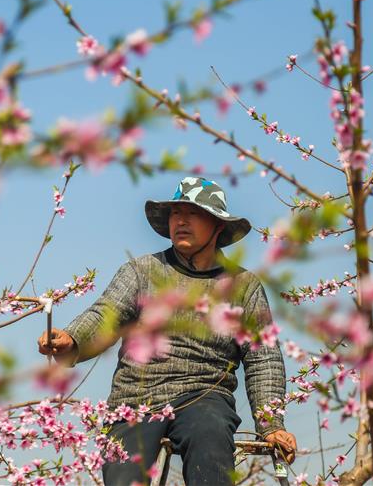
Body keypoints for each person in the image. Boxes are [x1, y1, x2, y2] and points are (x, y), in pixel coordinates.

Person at [37, 177, 296, 485]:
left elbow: (263, 357)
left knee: (211, 449)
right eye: (176, 213)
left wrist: (271, 424)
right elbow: (105, 315)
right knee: (123, 475)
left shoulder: (243, 286)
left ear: (217, 226)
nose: (181, 220)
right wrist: (72, 339)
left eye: (193, 213)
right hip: (137, 398)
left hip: (204, 395)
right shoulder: (142, 271)